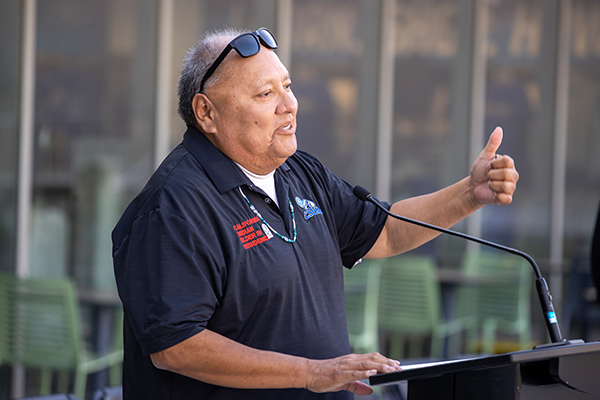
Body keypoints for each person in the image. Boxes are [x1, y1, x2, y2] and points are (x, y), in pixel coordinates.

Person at [112, 27, 519, 399]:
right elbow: (176, 347)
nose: (290, 104)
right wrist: (310, 372)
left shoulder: (299, 172)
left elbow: (387, 232)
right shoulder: (175, 205)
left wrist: (469, 194)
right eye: (265, 94)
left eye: (287, 87)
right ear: (206, 113)